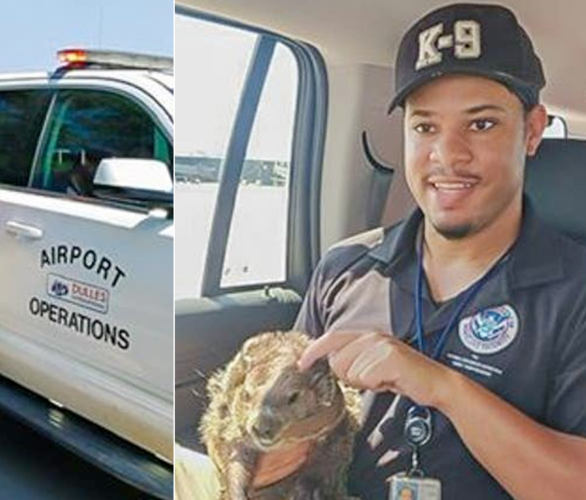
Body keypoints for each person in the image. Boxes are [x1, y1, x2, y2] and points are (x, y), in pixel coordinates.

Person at [175, 4, 586, 499]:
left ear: (533, 130)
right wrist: (254, 455)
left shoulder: (575, 290)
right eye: (425, 127)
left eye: (481, 125)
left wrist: (444, 388)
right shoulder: (346, 268)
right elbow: (293, 422)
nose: (447, 155)